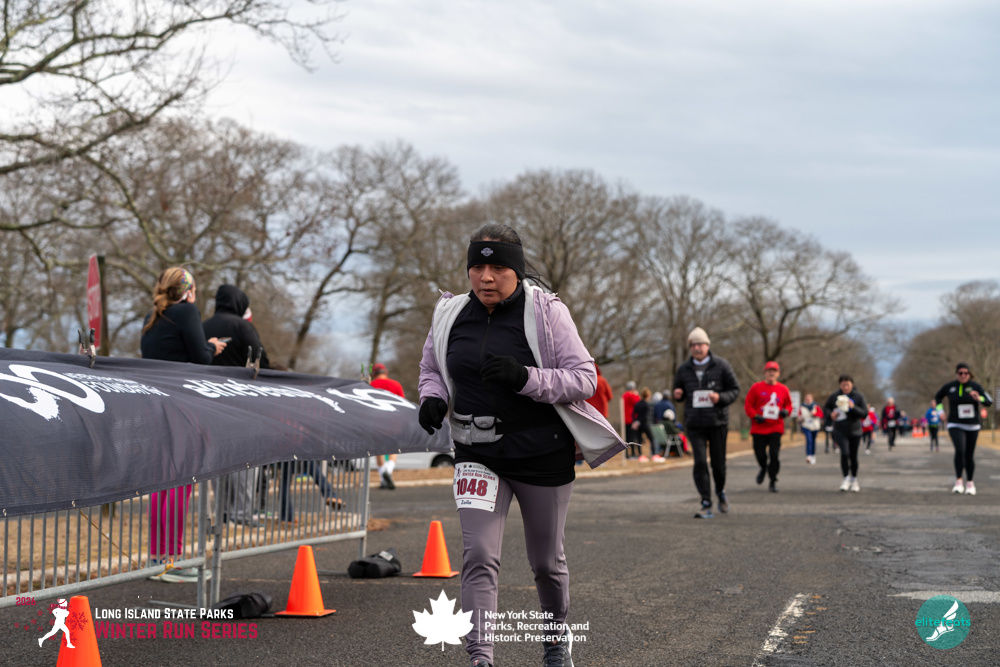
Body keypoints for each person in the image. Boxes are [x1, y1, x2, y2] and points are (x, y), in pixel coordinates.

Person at [417, 222, 626, 667]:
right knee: (478, 556)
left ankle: (555, 642)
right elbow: (432, 367)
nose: (486, 278)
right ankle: (480, 657)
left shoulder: (547, 313)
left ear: (517, 270)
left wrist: (525, 377)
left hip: (541, 452)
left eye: (497, 269)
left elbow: (584, 379)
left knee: (547, 563)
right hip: (476, 452)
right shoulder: (450, 313)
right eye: (477, 268)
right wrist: (431, 397)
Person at [140, 267, 226, 582]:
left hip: (155, 404)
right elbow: (200, 357)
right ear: (188, 291)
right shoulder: (187, 311)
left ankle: (156, 560)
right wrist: (212, 346)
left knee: (161, 485)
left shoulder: (151, 317)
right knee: (182, 482)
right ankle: (172, 562)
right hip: (181, 405)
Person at [203, 284, 271, 525]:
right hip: (241, 403)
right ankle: (241, 514)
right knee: (246, 461)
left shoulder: (203, 326)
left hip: (208, 402)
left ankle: (221, 512)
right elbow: (261, 360)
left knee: (219, 461)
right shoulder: (243, 326)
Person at [672, 327, 740, 518]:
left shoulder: (722, 365)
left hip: (717, 422)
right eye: (693, 345)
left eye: (700, 344)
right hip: (695, 423)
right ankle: (705, 502)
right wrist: (678, 394)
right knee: (700, 462)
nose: (697, 348)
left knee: (718, 464)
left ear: (708, 346)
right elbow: (678, 391)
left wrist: (720, 397)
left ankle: (720, 492)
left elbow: (735, 390)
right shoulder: (683, 369)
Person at [934, 363, 994, 495]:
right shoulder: (950, 387)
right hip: (955, 424)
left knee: (969, 454)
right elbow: (938, 397)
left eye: (965, 373)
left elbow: (989, 402)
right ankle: (959, 481)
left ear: (969, 374)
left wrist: (979, 398)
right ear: (956, 374)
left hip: (972, 425)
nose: (963, 375)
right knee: (960, 450)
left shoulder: (976, 386)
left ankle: (970, 483)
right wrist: (940, 411)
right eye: (960, 373)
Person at [744, 361, 792, 492]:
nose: (771, 373)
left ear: (778, 374)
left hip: (775, 427)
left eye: (774, 371)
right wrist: (755, 416)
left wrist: (786, 411)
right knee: (760, 454)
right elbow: (748, 405)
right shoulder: (756, 388)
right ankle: (763, 467)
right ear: (764, 373)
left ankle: (772, 480)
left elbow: (789, 405)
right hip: (759, 428)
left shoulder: (783, 389)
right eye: (769, 371)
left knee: (774, 455)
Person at [823, 375, 868, 492]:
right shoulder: (834, 396)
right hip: (840, 430)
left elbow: (864, 413)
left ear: (852, 384)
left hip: (855, 430)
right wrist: (830, 414)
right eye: (843, 385)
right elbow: (826, 408)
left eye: (848, 385)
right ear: (840, 385)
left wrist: (853, 407)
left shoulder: (858, 396)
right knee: (844, 453)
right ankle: (846, 478)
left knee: (853, 456)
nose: (846, 387)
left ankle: (854, 479)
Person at [370, 362, 404, 489]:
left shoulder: (370, 386)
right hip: (393, 421)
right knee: (394, 449)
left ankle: (383, 478)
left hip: (376, 422)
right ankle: (388, 471)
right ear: (386, 372)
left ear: (373, 374)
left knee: (379, 451)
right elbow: (403, 404)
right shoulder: (396, 384)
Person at [797, 393, 823, 465]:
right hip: (806, 426)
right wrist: (800, 419)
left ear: (812, 399)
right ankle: (808, 456)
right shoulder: (802, 407)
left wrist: (814, 414)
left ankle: (813, 455)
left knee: (813, 441)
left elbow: (821, 414)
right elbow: (799, 415)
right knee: (809, 440)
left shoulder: (816, 406)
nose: (808, 400)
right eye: (807, 398)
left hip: (815, 426)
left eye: (809, 398)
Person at [631, 387, 655, 462]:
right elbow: (645, 416)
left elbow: (633, 414)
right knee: (651, 438)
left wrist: (635, 422)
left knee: (639, 440)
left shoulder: (637, 404)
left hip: (638, 425)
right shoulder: (646, 405)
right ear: (648, 395)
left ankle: (640, 454)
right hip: (644, 424)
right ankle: (653, 453)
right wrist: (639, 422)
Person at [622, 381, 641, 458]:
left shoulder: (624, 395)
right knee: (632, 438)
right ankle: (633, 453)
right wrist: (637, 395)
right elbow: (638, 402)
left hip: (625, 419)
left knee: (626, 438)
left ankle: (626, 454)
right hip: (631, 419)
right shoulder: (631, 395)